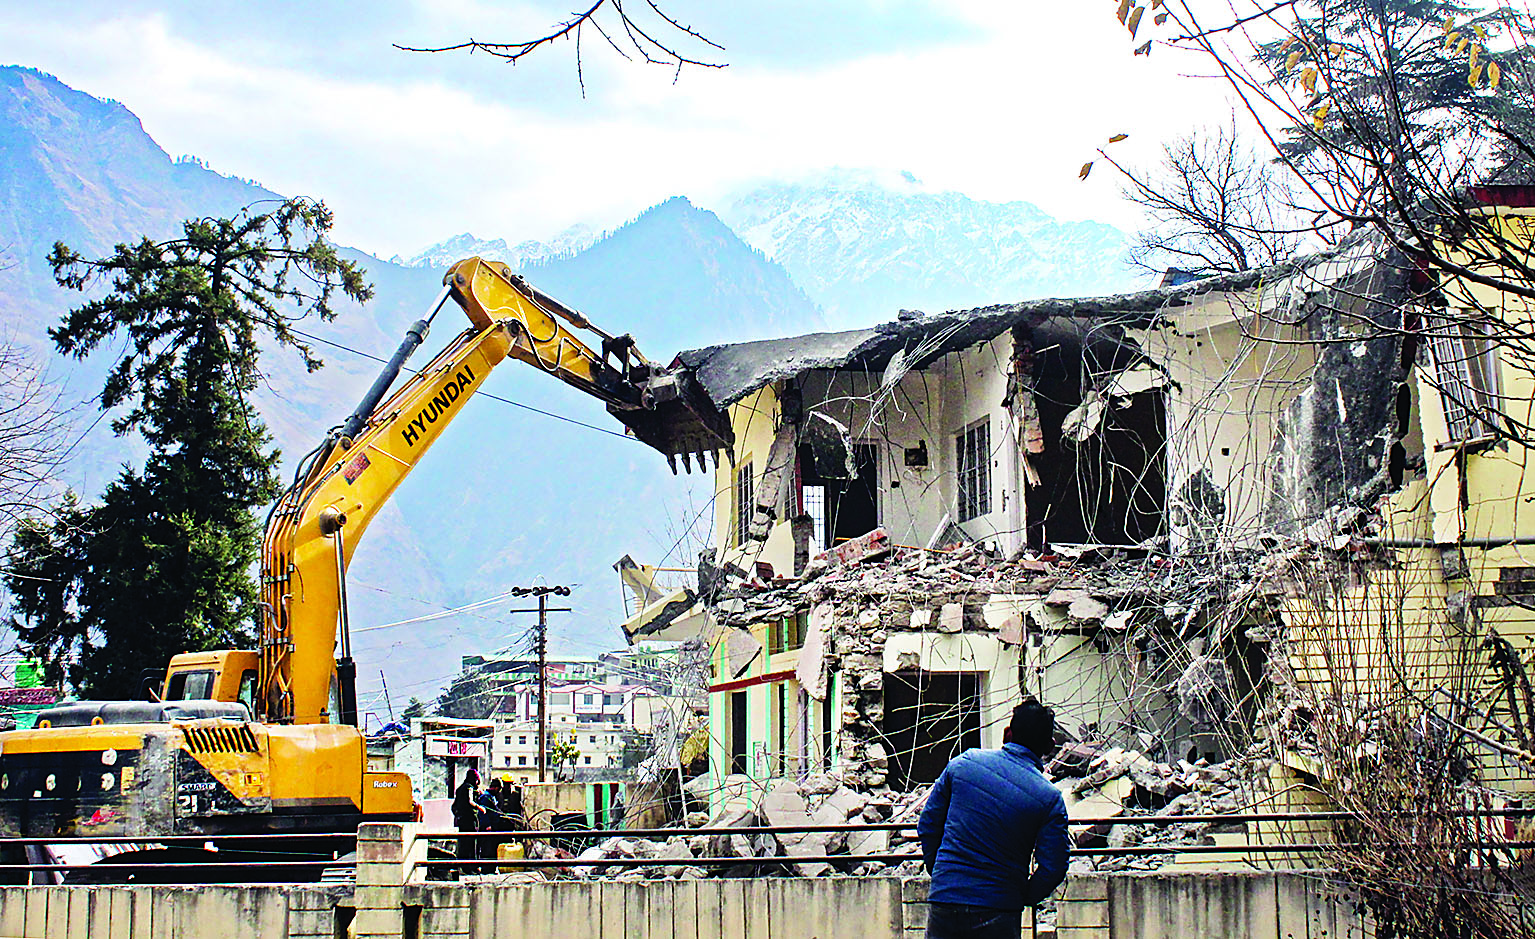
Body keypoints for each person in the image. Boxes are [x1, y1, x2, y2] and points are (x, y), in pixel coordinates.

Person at [916, 699, 1069, 939]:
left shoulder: (964, 764)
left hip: (946, 900)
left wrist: (944, 875)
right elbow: (1054, 867)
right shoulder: (1049, 798)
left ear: (1007, 733)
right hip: (1000, 909)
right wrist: (1023, 896)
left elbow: (928, 825)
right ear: (1049, 746)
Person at [451, 767, 482, 875]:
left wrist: (458, 816)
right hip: (470, 819)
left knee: (463, 844)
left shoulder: (460, 789)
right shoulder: (469, 788)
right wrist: (479, 807)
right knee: (472, 844)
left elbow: (453, 806)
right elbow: (470, 801)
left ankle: (463, 866)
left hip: (462, 821)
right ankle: (471, 867)